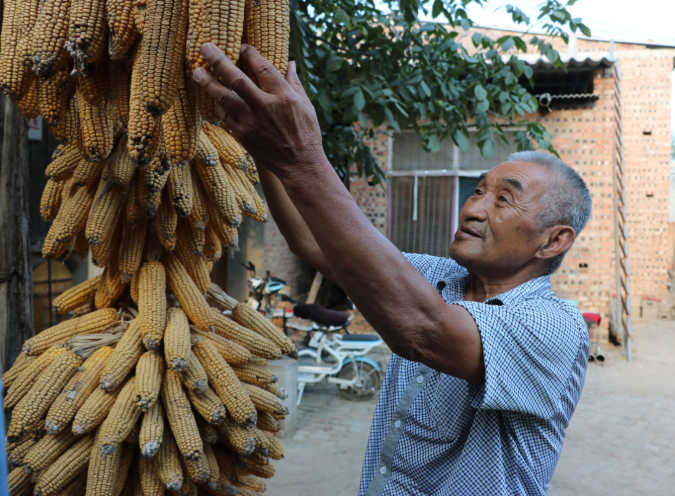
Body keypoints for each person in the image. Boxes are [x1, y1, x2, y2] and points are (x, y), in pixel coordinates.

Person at [194, 42, 592, 496]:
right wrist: (263, 144)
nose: (473, 209)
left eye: (503, 199)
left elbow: (424, 330)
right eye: (477, 191)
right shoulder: (434, 277)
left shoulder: (555, 327)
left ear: (554, 240)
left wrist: (304, 158)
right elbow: (308, 238)